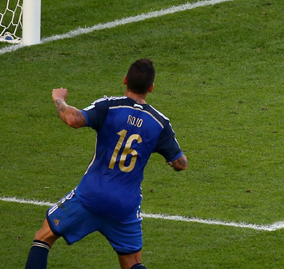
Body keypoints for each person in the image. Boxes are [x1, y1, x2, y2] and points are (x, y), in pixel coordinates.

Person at [24, 59, 187, 269]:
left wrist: (59, 99)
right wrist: (172, 162)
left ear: (125, 80)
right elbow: (181, 163)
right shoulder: (159, 123)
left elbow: (73, 119)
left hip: (91, 196)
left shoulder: (109, 106)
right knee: (132, 263)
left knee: (43, 237)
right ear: (151, 88)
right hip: (125, 206)